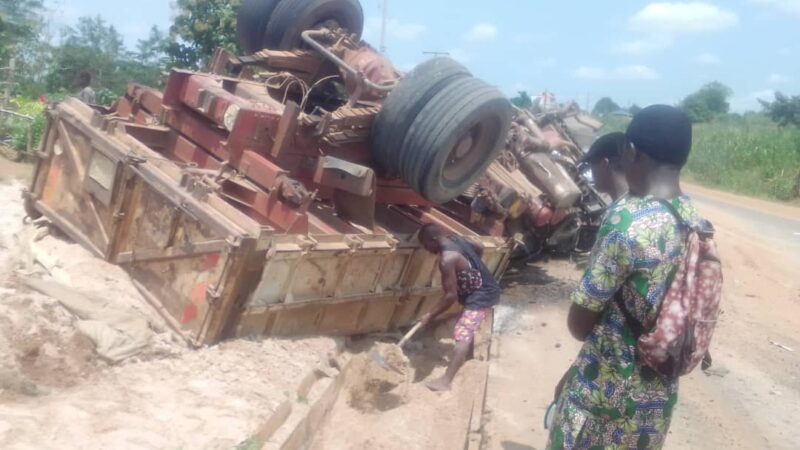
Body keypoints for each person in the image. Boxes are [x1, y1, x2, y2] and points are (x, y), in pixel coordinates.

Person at [548, 105, 702, 449]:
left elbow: (580, 323)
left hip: (606, 396)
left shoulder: (628, 222)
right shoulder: (693, 219)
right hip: (656, 397)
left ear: (630, 152)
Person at [418, 223, 501, 392]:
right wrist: (472, 268)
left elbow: (450, 296)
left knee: (462, 332)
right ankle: (469, 359)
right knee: (467, 325)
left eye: (426, 245)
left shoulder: (446, 260)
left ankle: (446, 381)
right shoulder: (455, 239)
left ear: (433, 240)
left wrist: (430, 315)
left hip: (481, 296)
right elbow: (479, 246)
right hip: (486, 288)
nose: (427, 249)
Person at [582, 132, 629, 201]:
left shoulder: (617, 211)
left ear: (604, 164)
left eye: (591, 165)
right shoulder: (645, 201)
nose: (592, 171)